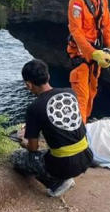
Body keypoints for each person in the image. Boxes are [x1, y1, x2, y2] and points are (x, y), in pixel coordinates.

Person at [10, 59, 93, 197]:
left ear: (28, 84)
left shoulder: (34, 108)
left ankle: (57, 183)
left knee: (17, 157)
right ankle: (62, 173)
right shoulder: (70, 93)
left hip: (65, 165)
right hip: (86, 156)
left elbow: (33, 148)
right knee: (52, 152)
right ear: (48, 77)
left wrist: (24, 141)